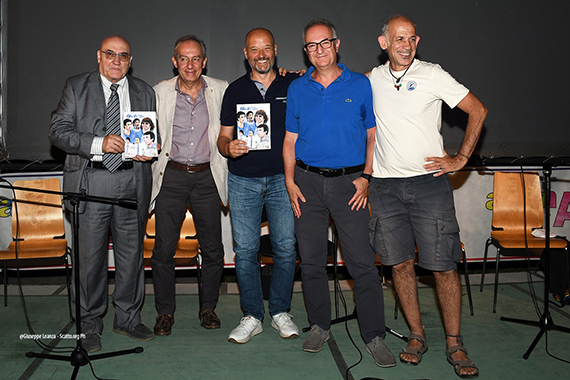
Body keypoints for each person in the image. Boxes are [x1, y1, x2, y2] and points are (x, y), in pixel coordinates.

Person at [367, 15, 487, 379]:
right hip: (384, 188)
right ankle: (416, 336)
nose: (406, 45)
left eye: (412, 39)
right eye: (398, 38)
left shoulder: (433, 74)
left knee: (443, 267)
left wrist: (462, 159)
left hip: (429, 186)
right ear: (384, 42)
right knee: (400, 265)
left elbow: (477, 110)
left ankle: (454, 341)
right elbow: (330, 83)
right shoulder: (370, 81)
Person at [283, 19, 395, 368]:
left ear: (337, 43)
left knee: (362, 263)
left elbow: (373, 135)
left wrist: (366, 177)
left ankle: (374, 335)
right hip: (308, 184)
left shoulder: (360, 84)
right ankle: (319, 325)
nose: (318, 50)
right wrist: (290, 183)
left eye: (324, 43)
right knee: (312, 262)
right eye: (311, 45)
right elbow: (290, 141)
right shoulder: (299, 89)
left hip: (351, 186)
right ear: (306, 50)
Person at [49, 35, 156, 353]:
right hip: (90, 184)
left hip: (131, 182)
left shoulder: (143, 91)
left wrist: (148, 149)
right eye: (110, 54)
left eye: (123, 56)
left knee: (131, 258)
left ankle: (127, 318)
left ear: (130, 60)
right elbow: (58, 131)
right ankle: (88, 324)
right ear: (99, 56)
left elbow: (151, 133)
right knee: (90, 261)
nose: (116, 60)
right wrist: (99, 143)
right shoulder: (76, 86)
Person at [218, 27, 299, 344]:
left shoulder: (295, 84)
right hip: (243, 180)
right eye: (254, 49)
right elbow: (224, 137)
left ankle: (280, 310)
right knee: (246, 251)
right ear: (245, 53)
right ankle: (252, 315)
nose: (261, 54)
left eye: (266, 48)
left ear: (275, 49)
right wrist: (229, 148)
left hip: (283, 179)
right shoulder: (235, 90)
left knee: (285, 247)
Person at [150, 35, 228, 335]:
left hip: (208, 176)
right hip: (171, 176)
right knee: (163, 250)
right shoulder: (159, 92)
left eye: (196, 58)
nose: (190, 64)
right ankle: (165, 313)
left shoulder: (221, 89)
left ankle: (208, 308)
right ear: (175, 61)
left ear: (204, 61)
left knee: (213, 250)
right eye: (184, 58)